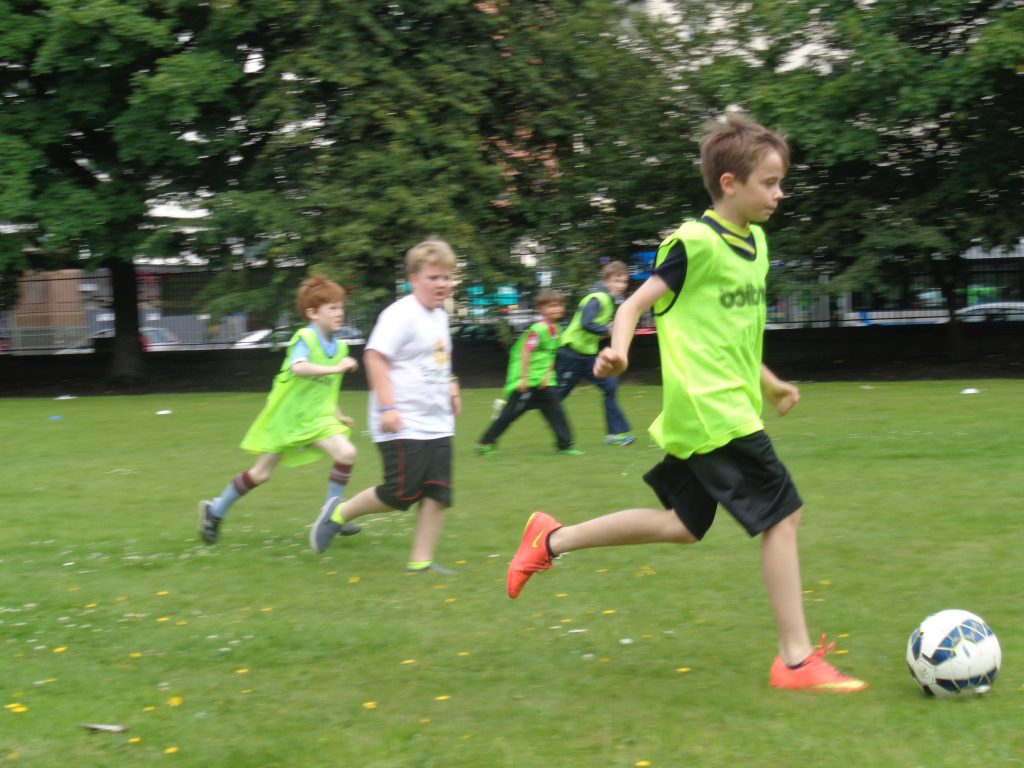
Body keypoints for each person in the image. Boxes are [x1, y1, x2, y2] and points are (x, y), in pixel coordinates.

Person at [507, 114, 868, 692]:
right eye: (770, 183)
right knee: (784, 514)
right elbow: (630, 307)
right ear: (730, 183)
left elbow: (727, 336)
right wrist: (619, 353)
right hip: (711, 412)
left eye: (781, 182)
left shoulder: (756, 245)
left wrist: (769, 382)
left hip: (725, 406)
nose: (780, 193)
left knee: (683, 526)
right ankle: (796, 660)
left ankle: (550, 539)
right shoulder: (693, 244)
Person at [309, 239, 460, 574]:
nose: (442, 284)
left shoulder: (439, 317)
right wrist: (387, 409)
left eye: (447, 277)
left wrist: (452, 388)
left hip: (437, 421)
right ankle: (338, 513)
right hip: (402, 421)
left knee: (438, 493)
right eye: (434, 277)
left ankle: (420, 561)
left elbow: (439, 358)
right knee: (401, 493)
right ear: (413, 279)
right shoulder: (401, 314)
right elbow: (375, 356)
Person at [198, 276, 361, 544]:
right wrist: (336, 367)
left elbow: (324, 389)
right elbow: (299, 367)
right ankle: (214, 511)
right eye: (332, 307)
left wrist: (337, 413)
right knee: (260, 474)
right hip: (287, 418)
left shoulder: (339, 346)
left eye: (341, 306)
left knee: (347, 453)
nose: (340, 312)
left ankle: (334, 514)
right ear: (312, 313)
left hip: (316, 419)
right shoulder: (305, 337)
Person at [477, 289, 582, 457]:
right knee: (508, 415)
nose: (557, 309)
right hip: (528, 383)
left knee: (557, 412)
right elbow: (526, 351)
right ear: (541, 309)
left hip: (544, 384)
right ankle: (487, 442)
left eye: (560, 305)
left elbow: (552, 354)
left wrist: (548, 375)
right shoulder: (538, 329)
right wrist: (524, 378)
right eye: (552, 306)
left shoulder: (557, 330)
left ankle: (565, 445)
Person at [556, 260, 636, 446]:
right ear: (606, 280)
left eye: (624, 282)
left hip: (587, 356)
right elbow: (586, 323)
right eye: (617, 281)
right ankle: (509, 407)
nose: (621, 286)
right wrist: (607, 331)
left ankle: (615, 434)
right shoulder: (598, 298)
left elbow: (591, 328)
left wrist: (606, 329)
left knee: (610, 385)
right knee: (552, 397)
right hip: (571, 354)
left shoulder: (606, 299)